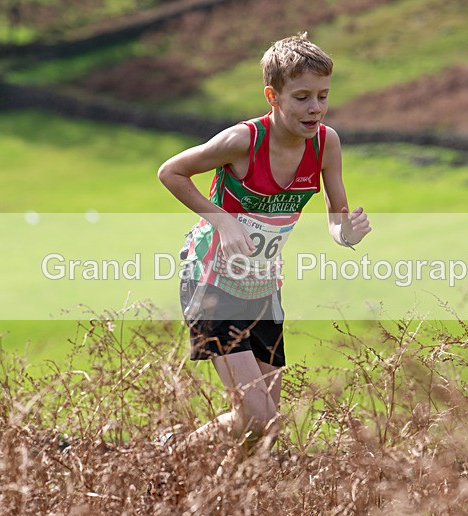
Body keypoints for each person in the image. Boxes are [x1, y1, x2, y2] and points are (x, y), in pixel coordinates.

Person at [157, 33, 371, 459]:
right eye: (302, 97)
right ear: (273, 96)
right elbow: (171, 172)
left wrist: (347, 233)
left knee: (263, 428)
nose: (315, 108)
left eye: (323, 96)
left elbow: (336, 216)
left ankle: (196, 481)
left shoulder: (326, 144)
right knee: (259, 418)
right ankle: (171, 457)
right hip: (212, 279)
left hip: (262, 288)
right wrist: (222, 221)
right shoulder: (242, 142)